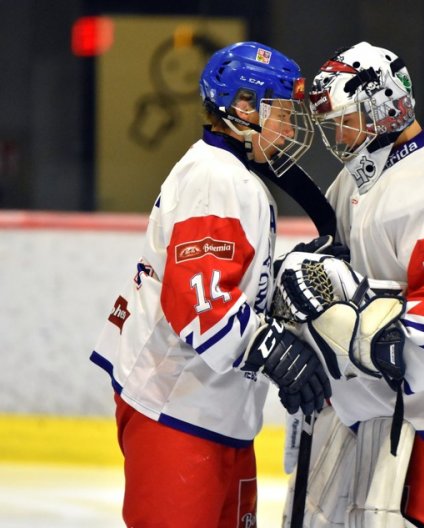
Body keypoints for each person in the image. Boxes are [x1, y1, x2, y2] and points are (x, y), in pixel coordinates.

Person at [90, 41, 332, 527]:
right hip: (176, 412)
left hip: (215, 413)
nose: (288, 127)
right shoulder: (214, 179)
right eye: (281, 111)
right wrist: (274, 353)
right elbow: (197, 299)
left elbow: (230, 281)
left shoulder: (234, 175)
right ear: (242, 108)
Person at [277, 41, 424, 528]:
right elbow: (336, 275)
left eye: (344, 119)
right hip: (364, 408)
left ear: (383, 105)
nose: (335, 134)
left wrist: (385, 343)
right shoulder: (352, 182)